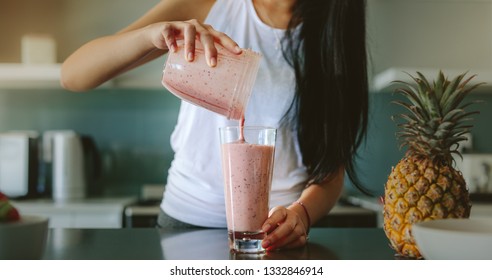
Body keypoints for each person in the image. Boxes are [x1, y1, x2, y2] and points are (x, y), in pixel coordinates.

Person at [61, 0, 369, 251]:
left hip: (274, 238)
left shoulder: (334, 35)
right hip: (184, 227)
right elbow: (74, 75)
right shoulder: (210, 6)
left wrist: (301, 214)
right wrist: (152, 35)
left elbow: (331, 172)